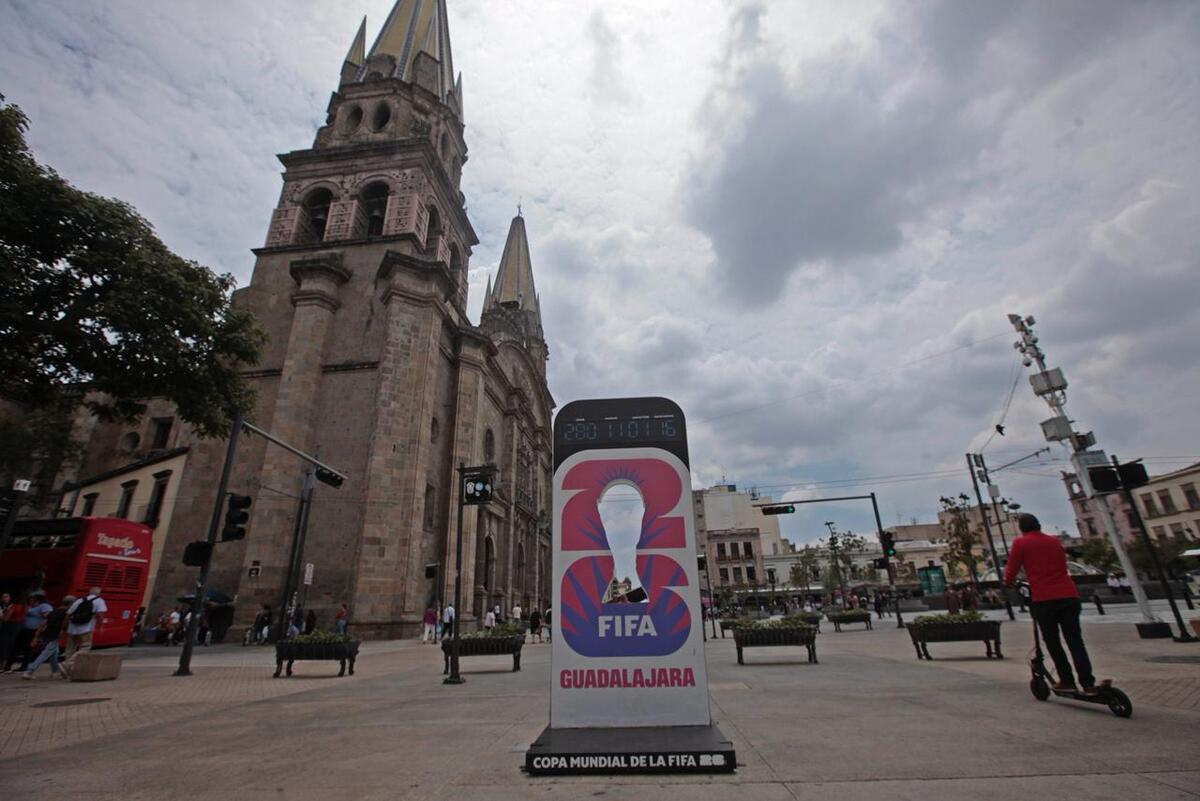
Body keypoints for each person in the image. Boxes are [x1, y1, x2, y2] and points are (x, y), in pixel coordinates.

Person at [1004, 513, 1101, 694]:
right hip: (1069, 596)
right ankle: (1088, 682)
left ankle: (1067, 680)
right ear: (1039, 525)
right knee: (1075, 641)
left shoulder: (1021, 543)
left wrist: (1008, 582)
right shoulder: (1054, 541)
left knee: (1052, 641)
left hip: (1044, 598)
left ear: (1022, 529)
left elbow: (1012, 568)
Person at [23, 595, 71, 680]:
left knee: (54, 653)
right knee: (45, 654)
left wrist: (36, 636)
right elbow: (65, 625)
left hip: (46, 633)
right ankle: (29, 671)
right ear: (71, 604)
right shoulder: (66, 613)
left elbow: (43, 623)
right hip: (55, 635)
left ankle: (55, 672)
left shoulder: (53, 611)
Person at [63, 587, 107, 678]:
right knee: (85, 647)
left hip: (72, 626)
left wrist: (64, 626)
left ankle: (67, 671)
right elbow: (100, 614)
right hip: (86, 627)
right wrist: (101, 626)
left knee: (70, 648)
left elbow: (68, 613)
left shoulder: (79, 600)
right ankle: (67, 664)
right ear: (99, 593)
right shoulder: (99, 601)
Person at [5, 590, 52, 673]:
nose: (30, 601)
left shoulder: (44, 606)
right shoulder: (29, 606)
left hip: (33, 631)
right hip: (24, 629)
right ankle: (7, 666)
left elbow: (48, 617)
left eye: (32, 599)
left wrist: (43, 628)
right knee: (15, 647)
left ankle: (24, 666)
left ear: (38, 599)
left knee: (28, 649)